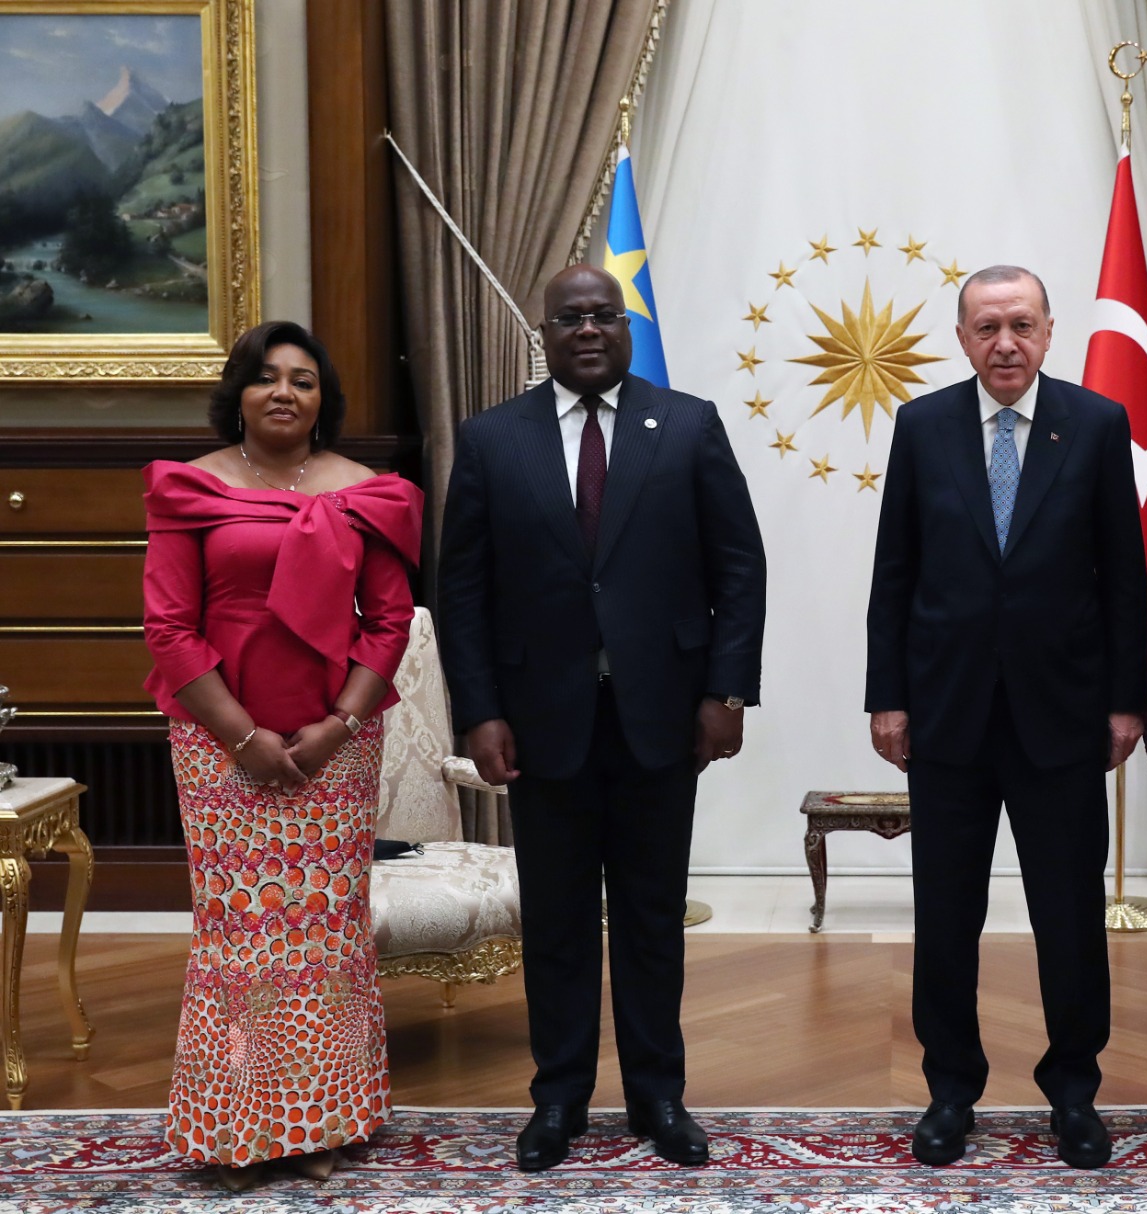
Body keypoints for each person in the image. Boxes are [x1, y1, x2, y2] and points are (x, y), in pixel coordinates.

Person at [437, 265, 766, 1171]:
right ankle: (559, 1098)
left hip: (663, 716)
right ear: (543, 334)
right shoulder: (493, 439)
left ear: (625, 327)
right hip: (541, 722)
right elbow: (462, 592)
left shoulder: (688, 424)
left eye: (602, 315)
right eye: (568, 318)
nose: (587, 329)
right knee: (558, 918)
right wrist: (479, 712)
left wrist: (727, 693)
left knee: (653, 915)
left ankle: (659, 1094)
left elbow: (740, 567)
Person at [865, 265, 1147, 1168]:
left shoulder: (1096, 424)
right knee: (946, 917)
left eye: (1021, 324)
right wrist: (887, 697)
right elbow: (894, 574)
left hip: (1062, 715)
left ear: (1049, 331)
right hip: (946, 716)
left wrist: (1126, 701)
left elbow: (1125, 576)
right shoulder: (922, 426)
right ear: (962, 340)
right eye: (986, 327)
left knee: (1069, 916)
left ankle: (1074, 1091)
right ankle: (951, 1090)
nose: (1005, 343)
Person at [142, 321, 423, 1191]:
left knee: (323, 936)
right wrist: (242, 737)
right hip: (217, 746)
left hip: (336, 749)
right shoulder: (190, 488)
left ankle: (322, 1120)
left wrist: (339, 724)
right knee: (240, 936)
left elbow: (389, 621)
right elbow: (168, 628)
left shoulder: (367, 492)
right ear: (238, 394)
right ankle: (236, 1126)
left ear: (322, 400)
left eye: (303, 379)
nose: (284, 392)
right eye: (267, 377)